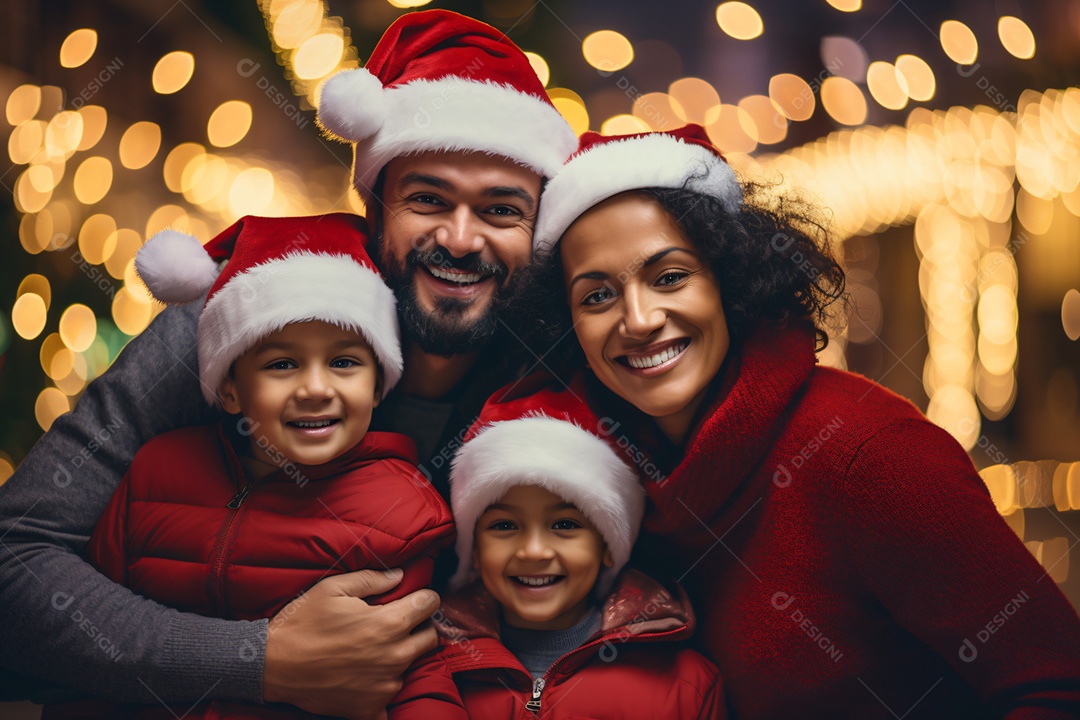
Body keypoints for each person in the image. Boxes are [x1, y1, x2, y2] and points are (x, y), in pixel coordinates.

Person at [0, 10, 576, 720]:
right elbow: (15, 560)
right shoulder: (246, 317)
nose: (460, 239)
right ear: (374, 208)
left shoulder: (558, 383)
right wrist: (260, 661)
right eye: (427, 199)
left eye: (500, 211)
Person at [511, 124, 1080, 718]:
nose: (639, 318)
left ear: (730, 280)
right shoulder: (600, 484)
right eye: (596, 296)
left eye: (670, 277)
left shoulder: (872, 454)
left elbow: (1056, 685)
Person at [44, 214, 454, 720]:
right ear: (231, 389)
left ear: (377, 386)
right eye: (282, 364)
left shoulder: (403, 508)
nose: (315, 388)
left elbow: (414, 674)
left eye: (344, 362)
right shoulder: (157, 470)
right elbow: (89, 637)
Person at [388, 379, 725, 719]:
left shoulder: (685, 684)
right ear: (474, 548)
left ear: (607, 545)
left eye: (565, 525)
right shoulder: (419, 669)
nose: (534, 552)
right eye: (504, 526)